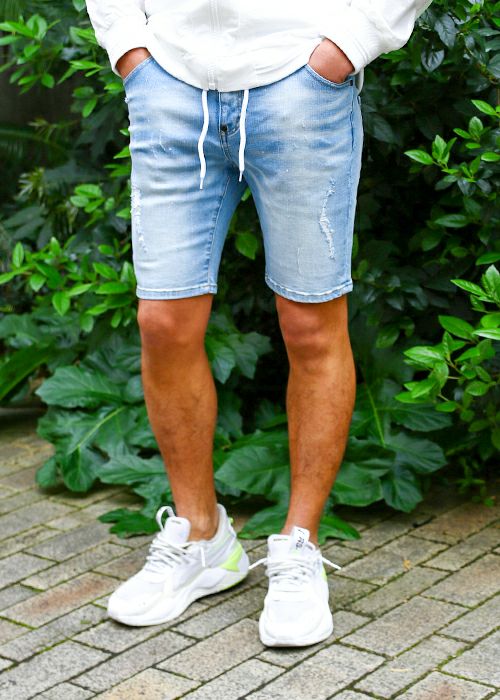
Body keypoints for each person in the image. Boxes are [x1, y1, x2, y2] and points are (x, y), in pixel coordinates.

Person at [85, 0, 433, 647]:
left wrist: (348, 45)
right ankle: (201, 537)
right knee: (162, 321)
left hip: (302, 85)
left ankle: (299, 545)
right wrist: (130, 47)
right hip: (169, 85)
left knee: (311, 325)